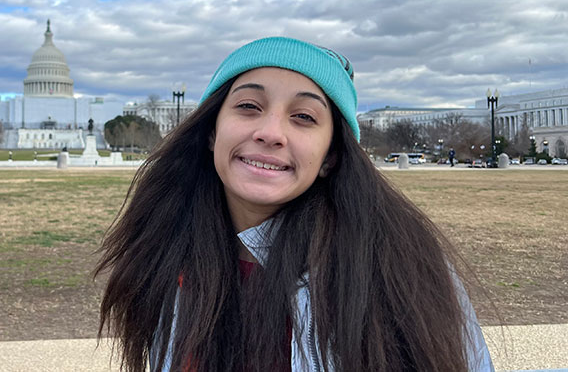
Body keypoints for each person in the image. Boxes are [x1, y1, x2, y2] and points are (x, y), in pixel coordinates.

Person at [95, 37, 493, 372]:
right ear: (212, 133)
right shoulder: (165, 252)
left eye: (303, 116)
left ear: (331, 156)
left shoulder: (399, 269)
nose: (270, 133)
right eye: (248, 106)